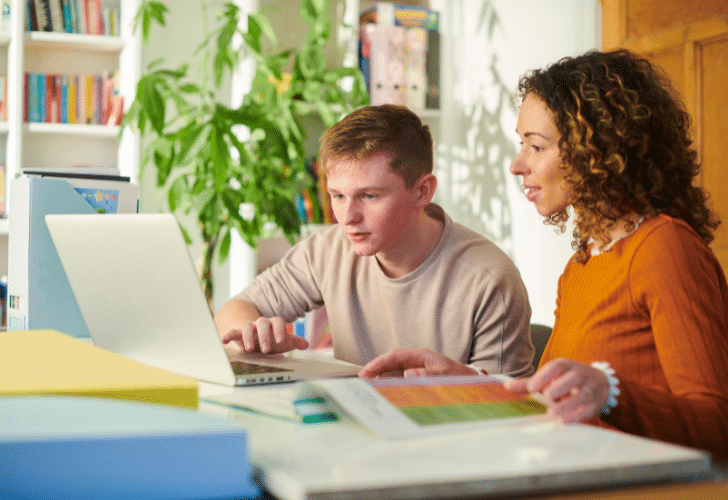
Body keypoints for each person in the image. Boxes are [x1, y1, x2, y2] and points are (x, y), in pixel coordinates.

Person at [359, 50, 728, 460]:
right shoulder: (583, 262)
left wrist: (610, 392)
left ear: (599, 150)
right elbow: (549, 402)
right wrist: (466, 381)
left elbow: (717, 424)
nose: (518, 165)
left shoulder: (665, 248)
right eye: (522, 145)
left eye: (536, 146)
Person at [214, 104, 534, 377]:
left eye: (368, 195)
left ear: (422, 191)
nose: (348, 216)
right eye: (338, 195)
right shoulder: (326, 249)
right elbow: (235, 310)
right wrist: (252, 335)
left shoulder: (490, 279)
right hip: (355, 435)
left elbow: (505, 411)